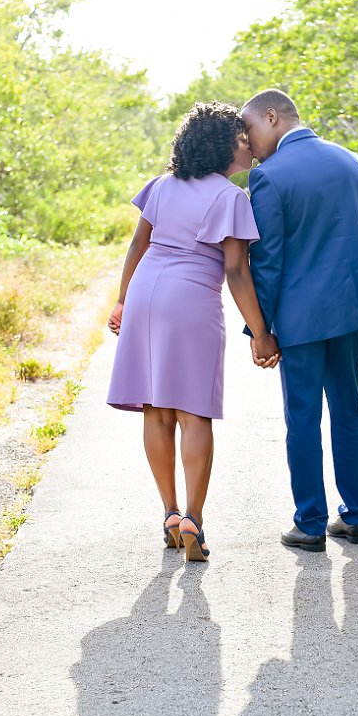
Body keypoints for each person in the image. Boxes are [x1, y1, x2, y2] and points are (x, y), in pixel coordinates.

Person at [107, 103, 279, 562]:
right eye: (242, 138)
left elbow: (138, 245)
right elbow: (236, 272)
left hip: (145, 293)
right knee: (193, 410)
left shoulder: (163, 185)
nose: (249, 145)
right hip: (190, 300)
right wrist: (260, 333)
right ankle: (194, 522)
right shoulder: (230, 198)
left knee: (156, 408)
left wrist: (123, 300)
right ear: (224, 146)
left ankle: (169, 512)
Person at [239, 89, 358, 551]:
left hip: (298, 319)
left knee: (302, 417)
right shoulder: (352, 161)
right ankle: (356, 518)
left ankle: (309, 523)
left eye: (250, 130)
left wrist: (260, 331)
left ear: (272, 117)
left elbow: (266, 263)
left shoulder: (268, 178)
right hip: (349, 310)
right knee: (348, 409)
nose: (248, 143)